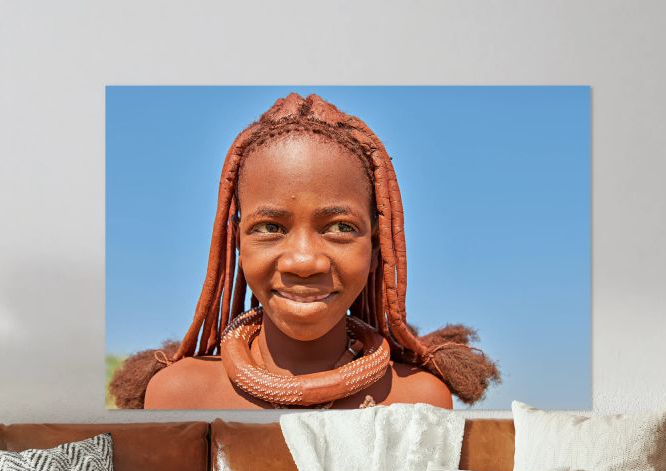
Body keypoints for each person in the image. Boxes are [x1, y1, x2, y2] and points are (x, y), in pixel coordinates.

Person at [110, 92, 499, 410]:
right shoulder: (179, 395)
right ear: (237, 240)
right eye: (270, 228)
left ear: (377, 244)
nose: (303, 261)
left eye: (341, 228)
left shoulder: (418, 400)